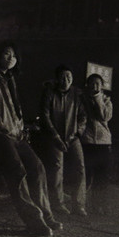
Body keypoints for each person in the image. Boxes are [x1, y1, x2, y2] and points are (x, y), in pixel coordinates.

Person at [0, 41, 62, 236]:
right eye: (6, 54)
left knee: (37, 167)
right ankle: (33, 221)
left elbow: (13, 111)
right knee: (17, 171)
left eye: (14, 56)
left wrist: (19, 127)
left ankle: (47, 215)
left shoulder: (9, 79)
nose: (10, 59)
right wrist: (2, 125)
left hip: (15, 136)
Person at [39, 64, 87, 216]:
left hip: (73, 137)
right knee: (57, 168)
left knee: (80, 167)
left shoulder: (77, 94)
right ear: (57, 78)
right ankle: (58, 204)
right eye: (62, 77)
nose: (66, 80)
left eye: (69, 77)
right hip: (55, 137)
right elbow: (45, 115)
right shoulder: (49, 93)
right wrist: (55, 136)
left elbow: (83, 116)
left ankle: (78, 205)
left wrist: (77, 133)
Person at [81, 73, 113, 214]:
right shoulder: (82, 99)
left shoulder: (106, 101)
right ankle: (82, 204)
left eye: (98, 84)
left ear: (102, 86)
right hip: (87, 141)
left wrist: (97, 98)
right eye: (92, 83)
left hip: (103, 142)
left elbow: (104, 116)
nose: (95, 86)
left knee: (102, 177)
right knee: (86, 175)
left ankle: (99, 205)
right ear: (87, 85)